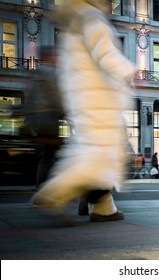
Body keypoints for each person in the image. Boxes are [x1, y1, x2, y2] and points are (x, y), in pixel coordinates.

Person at [31, 0, 137, 223]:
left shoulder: (74, 24)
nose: (111, 5)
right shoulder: (92, 18)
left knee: (100, 154)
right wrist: (127, 71)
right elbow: (104, 50)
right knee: (98, 155)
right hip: (98, 98)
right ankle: (52, 194)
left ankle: (104, 208)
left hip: (83, 98)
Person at [24, 46, 65, 190]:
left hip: (37, 121)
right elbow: (57, 98)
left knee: (46, 156)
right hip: (50, 120)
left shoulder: (34, 75)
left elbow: (28, 99)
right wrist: (65, 112)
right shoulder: (51, 74)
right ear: (49, 57)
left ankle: (42, 187)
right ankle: (47, 189)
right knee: (52, 156)